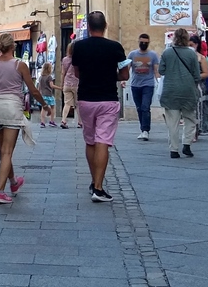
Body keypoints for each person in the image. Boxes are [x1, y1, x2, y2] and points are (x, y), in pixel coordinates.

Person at [0, 33, 49, 204]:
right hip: (12, 107)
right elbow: (33, 90)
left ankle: (13, 182)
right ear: (12, 47)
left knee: (3, 152)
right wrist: (44, 104)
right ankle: (0, 192)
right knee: (7, 152)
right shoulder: (19, 65)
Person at [71, 11, 127, 204]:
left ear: (88, 27)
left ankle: (94, 180)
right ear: (105, 26)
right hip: (108, 99)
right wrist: (111, 76)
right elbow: (125, 74)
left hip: (86, 99)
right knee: (103, 140)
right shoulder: (115, 47)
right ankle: (98, 187)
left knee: (90, 141)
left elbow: (77, 73)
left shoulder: (79, 47)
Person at [159, 29, 202, 158]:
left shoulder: (167, 52)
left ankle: (174, 150)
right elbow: (196, 74)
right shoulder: (192, 53)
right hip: (188, 90)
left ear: (174, 38)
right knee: (190, 118)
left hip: (171, 90)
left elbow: (161, 70)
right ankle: (187, 144)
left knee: (172, 122)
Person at [126, 33, 159, 141]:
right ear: (138, 42)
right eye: (142, 42)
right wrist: (123, 80)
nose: (143, 44)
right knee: (139, 108)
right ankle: (143, 129)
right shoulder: (132, 54)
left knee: (145, 107)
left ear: (148, 43)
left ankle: (145, 130)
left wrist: (159, 82)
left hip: (148, 85)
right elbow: (127, 68)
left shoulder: (153, 55)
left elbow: (156, 70)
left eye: (146, 42)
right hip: (135, 85)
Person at [59, 44, 80, 129]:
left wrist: (62, 84)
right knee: (78, 104)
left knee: (67, 104)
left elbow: (62, 73)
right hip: (76, 84)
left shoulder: (64, 59)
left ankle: (63, 121)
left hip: (67, 83)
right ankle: (80, 122)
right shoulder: (78, 59)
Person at [38, 63, 59, 128]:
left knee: (44, 108)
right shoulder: (49, 77)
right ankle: (51, 121)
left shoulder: (41, 77)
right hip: (49, 95)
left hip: (43, 95)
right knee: (52, 107)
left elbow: (39, 87)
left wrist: (39, 93)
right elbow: (51, 85)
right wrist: (60, 88)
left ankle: (42, 122)